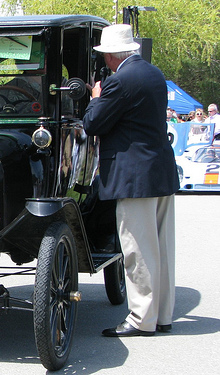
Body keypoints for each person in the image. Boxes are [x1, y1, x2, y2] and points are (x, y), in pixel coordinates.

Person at [83, 24, 180, 337]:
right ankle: (162, 315)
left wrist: (95, 97)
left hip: (134, 176)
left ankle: (140, 319)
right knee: (162, 248)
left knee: (138, 250)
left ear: (110, 57)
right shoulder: (153, 74)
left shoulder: (118, 82)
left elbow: (93, 123)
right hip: (159, 170)